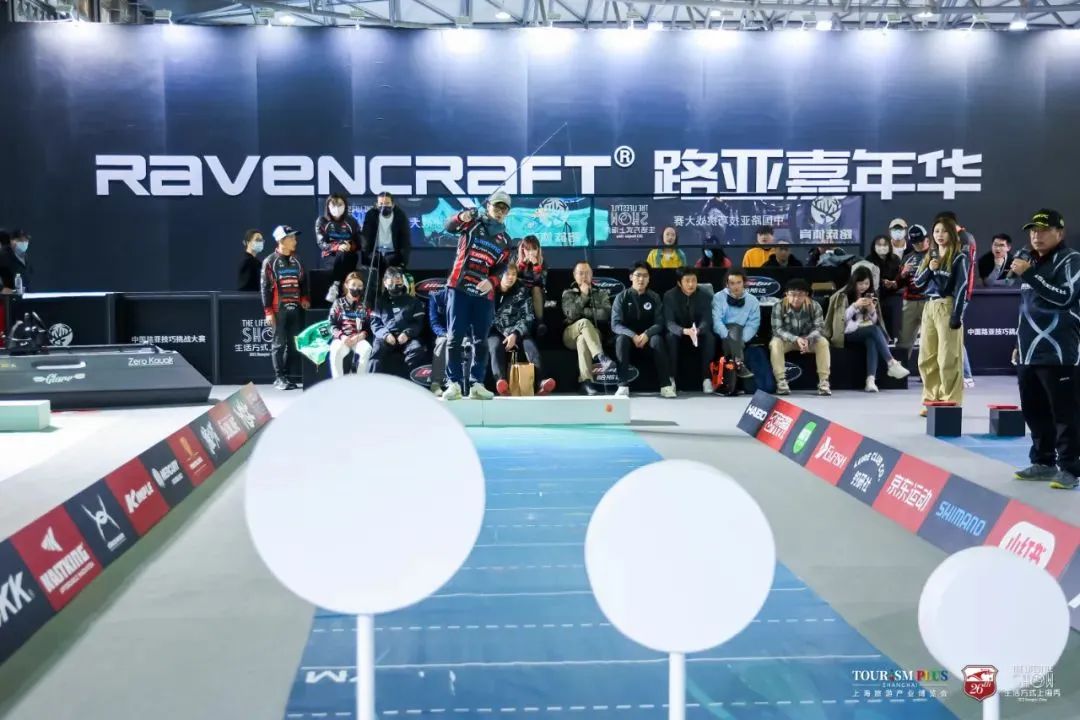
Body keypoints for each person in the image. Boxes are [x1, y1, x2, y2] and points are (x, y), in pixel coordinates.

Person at [1010, 209, 1080, 489]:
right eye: (1032, 231)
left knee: (1064, 413)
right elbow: (1026, 307)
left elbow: (1065, 297)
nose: (1036, 235)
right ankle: (1043, 462)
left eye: (1043, 230)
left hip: (1059, 350)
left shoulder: (1072, 260)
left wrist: (1030, 274)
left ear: (1059, 233)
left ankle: (1070, 468)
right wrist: (1018, 342)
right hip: (1028, 349)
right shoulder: (1028, 260)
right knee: (1034, 411)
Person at [441, 191, 513, 401]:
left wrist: (491, 282)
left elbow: (501, 269)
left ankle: (476, 384)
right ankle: (453, 383)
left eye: (504, 209)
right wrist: (461, 216)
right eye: (497, 206)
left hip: (483, 293)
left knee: (481, 341)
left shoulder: (506, 240)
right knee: (454, 338)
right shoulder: (472, 223)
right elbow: (449, 226)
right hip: (459, 288)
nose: (499, 212)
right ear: (488, 206)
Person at [911, 217, 970, 415]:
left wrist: (957, 315)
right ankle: (931, 400)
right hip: (929, 306)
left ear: (952, 233)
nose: (940, 235)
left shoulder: (959, 257)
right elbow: (918, 283)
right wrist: (930, 269)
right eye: (936, 231)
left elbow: (961, 287)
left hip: (947, 306)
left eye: (944, 231)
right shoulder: (931, 255)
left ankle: (950, 401)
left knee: (948, 358)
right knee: (926, 358)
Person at [825, 266, 910, 392]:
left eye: (866, 283)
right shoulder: (842, 296)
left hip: (865, 331)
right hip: (846, 333)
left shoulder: (871, 295)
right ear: (854, 282)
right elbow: (841, 321)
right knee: (873, 330)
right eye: (860, 283)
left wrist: (872, 311)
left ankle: (870, 380)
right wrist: (855, 306)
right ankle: (891, 363)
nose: (863, 286)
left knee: (872, 340)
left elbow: (874, 321)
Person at [487, 265, 555, 396]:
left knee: (530, 345)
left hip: (517, 330)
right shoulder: (489, 292)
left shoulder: (521, 291)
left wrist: (515, 333)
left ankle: (542, 382)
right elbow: (487, 317)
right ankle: (501, 382)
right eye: (507, 274)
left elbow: (528, 316)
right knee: (495, 346)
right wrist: (506, 333)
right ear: (499, 276)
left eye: (513, 274)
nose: (511, 277)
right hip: (496, 331)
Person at [611, 263, 673, 398]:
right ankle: (622, 385)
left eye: (645, 276)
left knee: (657, 340)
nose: (641, 279)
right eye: (638, 275)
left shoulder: (654, 297)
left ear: (649, 278)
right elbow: (615, 325)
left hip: (648, 338)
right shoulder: (621, 297)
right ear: (631, 277)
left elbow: (660, 323)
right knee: (621, 339)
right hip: (628, 339)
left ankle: (666, 385)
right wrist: (633, 335)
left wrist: (647, 334)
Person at [261, 226, 310, 390]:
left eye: (295, 238)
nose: (295, 241)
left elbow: (304, 282)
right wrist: (268, 311)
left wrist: (304, 298)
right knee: (278, 344)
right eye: (291, 238)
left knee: (293, 344)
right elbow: (265, 287)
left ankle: (287, 377)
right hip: (278, 309)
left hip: (295, 308)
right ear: (281, 240)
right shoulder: (270, 261)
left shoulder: (298, 260)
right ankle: (279, 378)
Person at [769, 278, 831, 396]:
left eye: (800, 295)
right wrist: (796, 339)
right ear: (786, 294)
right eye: (792, 294)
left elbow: (819, 328)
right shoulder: (779, 306)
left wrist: (808, 339)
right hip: (788, 341)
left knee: (823, 342)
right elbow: (777, 329)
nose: (796, 298)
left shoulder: (815, 306)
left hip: (808, 341)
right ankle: (781, 381)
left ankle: (824, 382)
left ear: (806, 294)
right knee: (775, 343)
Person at [561, 261, 615, 396]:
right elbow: (571, 314)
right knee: (584, 323)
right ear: (574, 275)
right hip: (570, 333)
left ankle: (586, 383)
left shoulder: (601, 293)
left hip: (594, 334)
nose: (584, 276)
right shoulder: (568, 293)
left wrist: (583, 311)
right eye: (580, 273)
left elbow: (606, 314)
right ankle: (601, 357)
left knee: (582, 340)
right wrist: (584, 296)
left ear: (592, 274)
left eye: (587, 273)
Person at [663, 268, 716, 394]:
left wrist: (699, 330)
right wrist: (683, 331)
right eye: (687, 281)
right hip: (679, 333)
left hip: (698, 332)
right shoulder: (669, 296)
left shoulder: (705, 296)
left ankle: (707, 378)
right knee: (670, 337)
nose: (691, 284)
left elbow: (707, 319)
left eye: (694, 280)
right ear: (679, 283)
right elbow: (669, 322)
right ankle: (671, 379)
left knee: (710, 337)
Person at [369, 267, 428, 377]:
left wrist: (407, 333)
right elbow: (375, 323)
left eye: (398, 280)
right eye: (391, 281)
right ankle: (372, 381)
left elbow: (418, 323)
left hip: (407, 338)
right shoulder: (379, 302)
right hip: (385, 337)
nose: (396, 283)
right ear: (385, 282)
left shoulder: (414, 302)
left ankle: (404, 380)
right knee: (376, 351)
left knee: (417, 349)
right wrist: (385, 335)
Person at [711, 270, 759, 379]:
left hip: (742, 334)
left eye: (738, 282)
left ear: (744, 283)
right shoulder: (718, 297)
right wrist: (727, 335)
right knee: (733, 328)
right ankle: (739, 364)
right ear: (727, 284)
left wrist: (741, 339)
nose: (736, 286)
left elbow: (753, 324)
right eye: (732, 283)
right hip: (722, 332)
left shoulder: (752, 301)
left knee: (736, 330)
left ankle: (732, 364)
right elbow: (716, 321)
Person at [316, 194, 361, 303]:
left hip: (349, 255)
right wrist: (337, 246)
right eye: (333, 205)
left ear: (345, 206)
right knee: (341, 254)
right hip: (330, 255)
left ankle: (336, 285)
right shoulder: (322, 221)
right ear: (328, 206)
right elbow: (321, 243)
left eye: (340, 204)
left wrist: (351, 246)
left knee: (345, 255)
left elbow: (359, 243)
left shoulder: (351, 221)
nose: (336, 208)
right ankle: (337, 286)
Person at [897, 224, 931, 371]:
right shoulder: (907, 258)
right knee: (904, 340)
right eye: (915, 242)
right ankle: (900, 374)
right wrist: (903, 274)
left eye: (921, 241)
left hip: (929, 301)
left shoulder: (936, 255)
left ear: (927, 239)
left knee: (930, 341)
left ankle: (929, 375)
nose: (918, 245)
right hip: (909, 302)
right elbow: (899, 283)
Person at [328, 272, 372, 379]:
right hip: (342, 339)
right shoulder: (338, 303)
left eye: (360, 286)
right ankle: (338, 384)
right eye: (353, 285)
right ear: (347, 285)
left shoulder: (366, 304)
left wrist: (362, 335)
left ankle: (359, 382)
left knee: (367, 349)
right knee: (335, 351)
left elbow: (369, 326)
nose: (356, 288)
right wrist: (342, 336)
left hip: (359, 339)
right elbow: (331, 325)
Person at [361, 192, 411, 270]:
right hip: (376, 253)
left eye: (387, 203)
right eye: (381, 203)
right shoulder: (371, 215)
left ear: (393, 204)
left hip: (393, 253)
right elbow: (366, 237)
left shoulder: (400, 215)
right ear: (376, 205)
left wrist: (403, 261)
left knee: (391, 267)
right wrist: (365, 259)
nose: (384, 206)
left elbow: (405, 239)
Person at [867, 233, 904, 339]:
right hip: (875, 293)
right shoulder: (869, 260)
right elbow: (867, 279)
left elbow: (900, 278)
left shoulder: (895, 259)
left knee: (895, 304)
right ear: (874, 246)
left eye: (884, 245)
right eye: (879, 245)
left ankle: (894, 337)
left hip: (893, 293)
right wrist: (881, 282)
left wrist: (892, 283)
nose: (882, 247)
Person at [515, 235, 548, 337]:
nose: (531, 253)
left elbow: (541, 282)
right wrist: (522, 265)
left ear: (538, 250)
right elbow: (512, 279)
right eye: (528, 249)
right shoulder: (516, 260)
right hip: (519, 290)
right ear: (523, 250)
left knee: (536, 289)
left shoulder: (542, 262)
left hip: (534, 292)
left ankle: (540, 322)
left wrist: (536, 266)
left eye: (534, 249)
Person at [428, 287, 449, 396]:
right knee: (442, 342)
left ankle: (467, 384)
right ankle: (436, 383)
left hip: (462, 332)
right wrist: (444, 333)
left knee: (468, 342)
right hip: (443, 333)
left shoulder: (467, 296)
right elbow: (434, 322)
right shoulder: (436, 296)